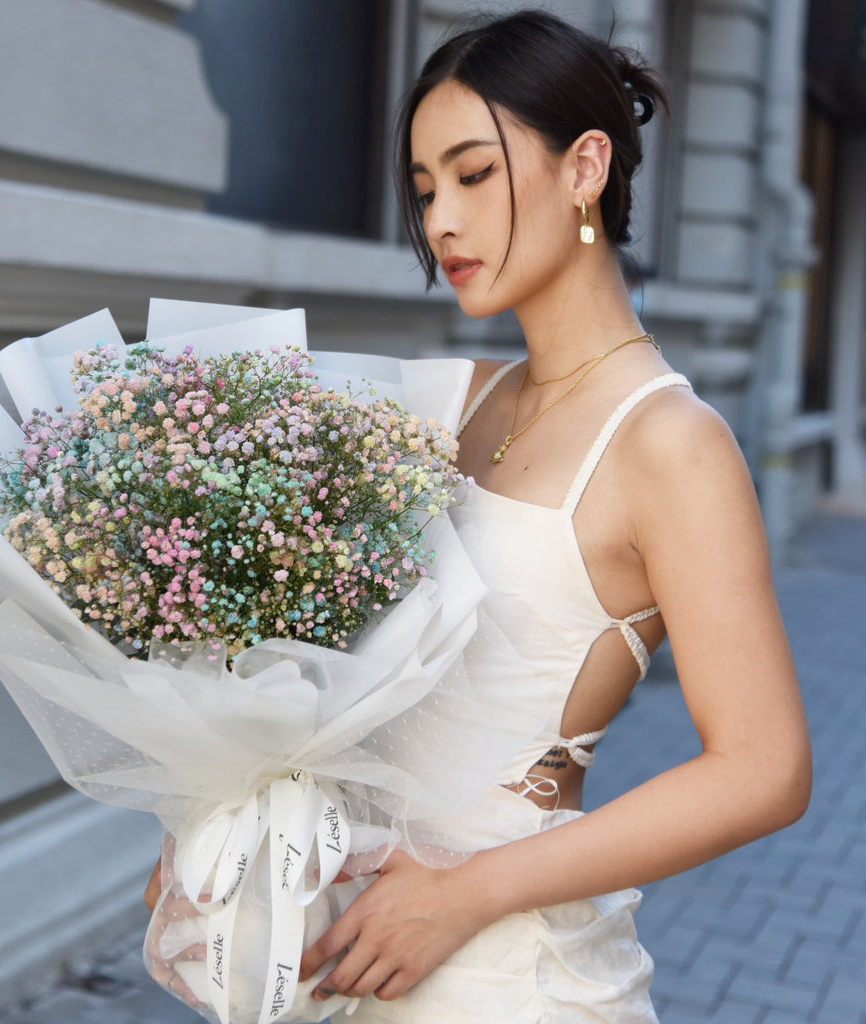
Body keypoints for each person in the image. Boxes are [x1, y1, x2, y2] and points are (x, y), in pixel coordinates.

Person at [291, 9, 813, 1022]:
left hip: (505, 971)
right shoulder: (452, 401)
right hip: (359, 938)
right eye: (424, 187)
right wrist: (224, 829)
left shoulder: (669, 443)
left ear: (584, 168)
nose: (441, 219)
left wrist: (462, 894)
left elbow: (764, 767)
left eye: (473, 174)